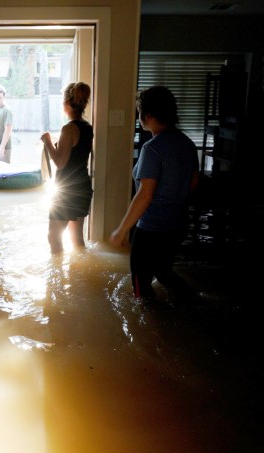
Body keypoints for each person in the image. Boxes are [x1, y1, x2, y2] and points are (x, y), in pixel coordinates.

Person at [108, 85, 199, 306]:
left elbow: (144, 195)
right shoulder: (187, 143)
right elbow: (194, 182)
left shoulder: (153, 148)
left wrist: (122, 230)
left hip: (152, 228)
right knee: (164, 271)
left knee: (141, 285)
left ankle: (150, 331)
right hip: (177, 223)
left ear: (147, 115)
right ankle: (193, 301)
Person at [41, 81, 94, 254]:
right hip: (83, 186)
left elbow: (60, 163)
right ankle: (80, 277)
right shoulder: (87, 127)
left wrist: (48, 141)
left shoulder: (68, 128)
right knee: (76, 238)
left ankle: (59, 279)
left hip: (67, 189)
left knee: (53, 236)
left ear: (66, 105)